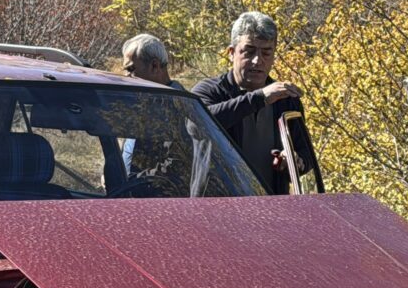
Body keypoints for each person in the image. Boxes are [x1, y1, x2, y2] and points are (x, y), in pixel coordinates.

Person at [192, 11, 312, 194]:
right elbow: (199, 121)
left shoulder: (286, 100)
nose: (257, 61)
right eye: (249, 52)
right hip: (216, 209)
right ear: (231, 53)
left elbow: (307, 155)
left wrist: (295, 161)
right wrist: (260, 98)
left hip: (271, 208)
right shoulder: (209, 91)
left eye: (266, 53)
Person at [119, 34, 185, 178]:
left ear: (155, 66)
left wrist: (133, 181)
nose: (126, 76)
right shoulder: (144, 102)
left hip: (151, 198)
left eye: (131, 70)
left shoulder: (178, 107)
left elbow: (175, 165)